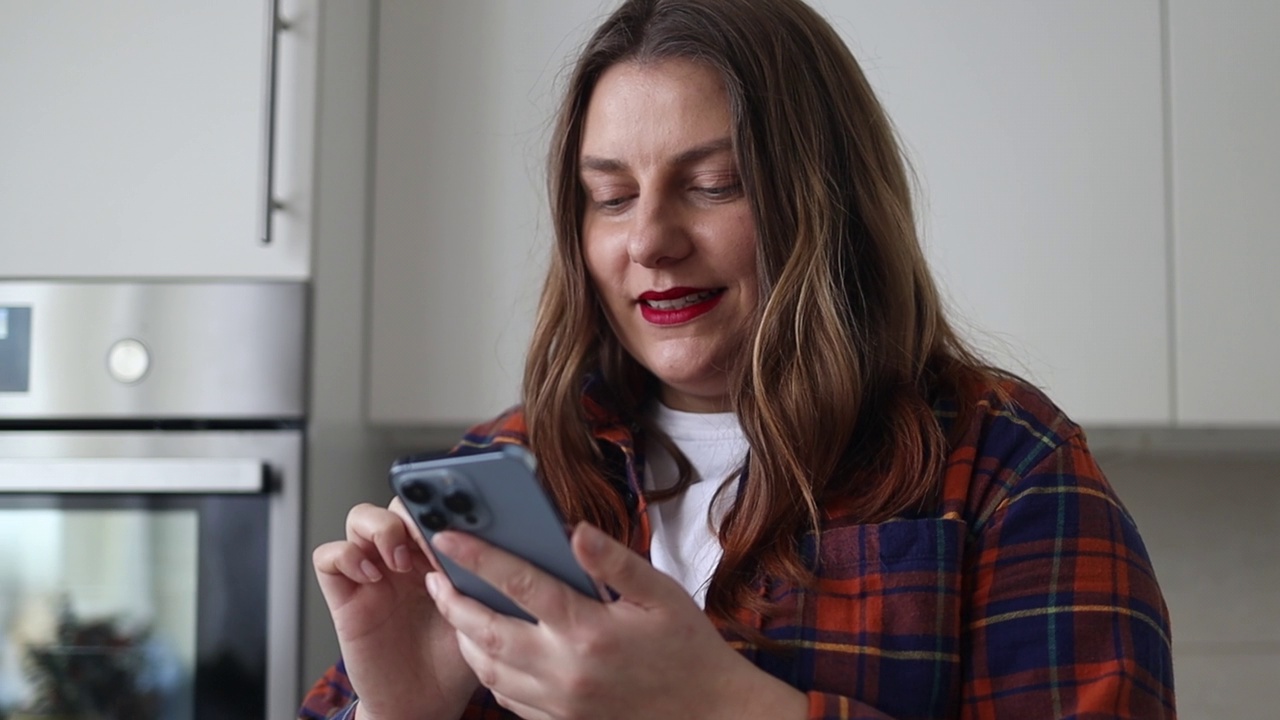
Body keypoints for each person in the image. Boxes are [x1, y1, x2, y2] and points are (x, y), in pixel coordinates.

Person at [300, 0, 1176, 718]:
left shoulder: (1006, 469)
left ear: (827, 199)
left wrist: (725, 709)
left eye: (713, 184)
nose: (649, 240)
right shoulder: (503, 472)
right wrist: (396, 712)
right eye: (610, 196)